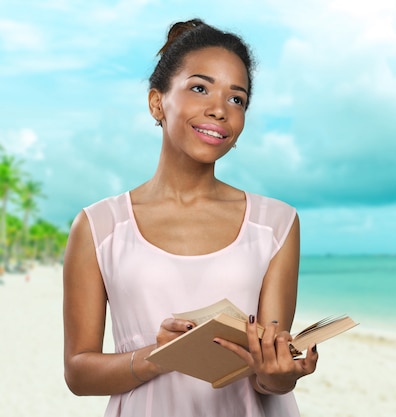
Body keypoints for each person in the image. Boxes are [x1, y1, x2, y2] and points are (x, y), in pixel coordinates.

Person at [63, 19, 318, 417]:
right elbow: (78, 373)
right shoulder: (99, 226)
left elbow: (267, 379)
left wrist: (282, 375)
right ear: (157, 102)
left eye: (237, 99)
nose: (219, 109)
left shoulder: (277, 224)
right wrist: (158, 356)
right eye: (200, 88)